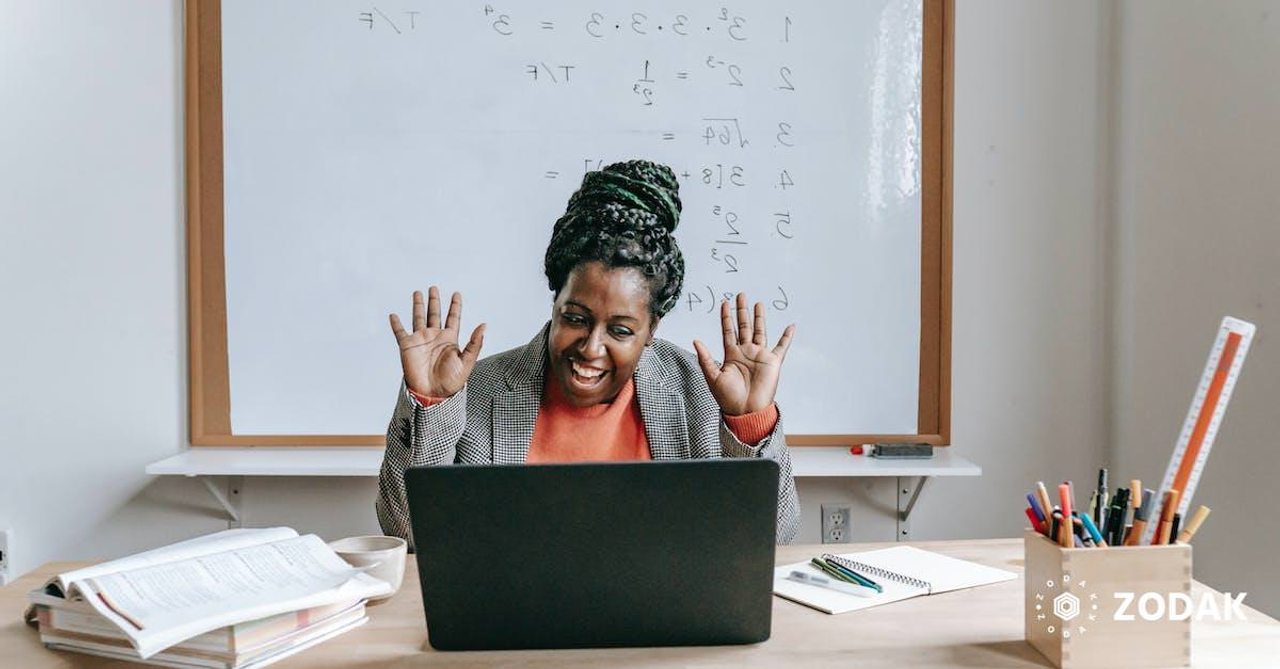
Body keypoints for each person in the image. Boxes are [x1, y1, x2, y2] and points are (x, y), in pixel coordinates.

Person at [376, 159, 800, 545]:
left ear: (651, 329)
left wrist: (748, 424)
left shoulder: (703, 395)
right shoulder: (477, 391)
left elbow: (774, 539)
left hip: (663, 626)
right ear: (555, 303)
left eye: (619, 330)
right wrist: (430, 405)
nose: (592, 348)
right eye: (576, 318)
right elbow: (408, 534)